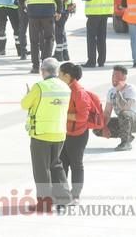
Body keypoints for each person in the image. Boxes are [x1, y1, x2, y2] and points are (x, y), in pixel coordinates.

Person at [20, 57, 72, 211]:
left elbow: (24, 104)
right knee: (56, 165)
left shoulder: (40, 87)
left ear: (43, 71)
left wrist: (29, 94)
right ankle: (63, 198)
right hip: (59, 133)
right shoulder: (65, 87)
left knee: (42, 170)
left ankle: (44, 203)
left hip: (41, 134)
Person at [19, 0, 62, 73]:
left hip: (33, 16)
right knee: (49, 39)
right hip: (48, 16)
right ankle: (45, 65)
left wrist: (25, 8)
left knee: (34, 41)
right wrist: (59, 12)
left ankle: (35, 66)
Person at [58, 62, 90, 203]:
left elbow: (83, 117)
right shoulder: (64, 89)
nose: (57, 76)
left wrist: (63, 114)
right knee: (62, 163)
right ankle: (63, 194)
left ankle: (75, 195)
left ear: (67, 76)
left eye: (60, 74)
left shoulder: (78, 92)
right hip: (66, 132)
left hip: (78, 134)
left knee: (76, 164)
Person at [93, 66, 136, 151]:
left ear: (124, 77)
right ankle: (128, 136)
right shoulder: (111, 91)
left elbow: (125, 107)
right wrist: (104, 127)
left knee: (124, 113)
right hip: (123, 120)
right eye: (113, 76)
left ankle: (125, 142)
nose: (114, 78)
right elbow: (107, 112)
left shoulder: (132, 90)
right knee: (97, 128)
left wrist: (118, 92)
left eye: (117, 76)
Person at [80, 0, 114, 68]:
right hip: (105, 12)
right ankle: (101, 61)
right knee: (101, 37)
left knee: (91, 38)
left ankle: (91, 61)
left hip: (94, 13)